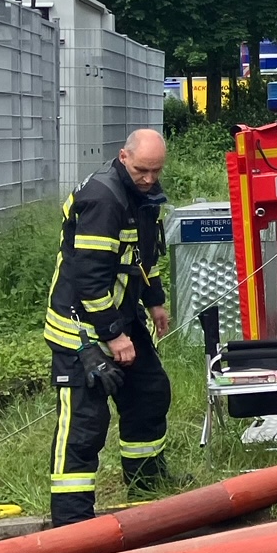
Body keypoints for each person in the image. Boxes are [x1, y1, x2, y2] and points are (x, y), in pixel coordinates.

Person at [46, 129, 171, 525]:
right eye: (142, 170)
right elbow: (90, 279)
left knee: (149, 394)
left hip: (121, 317)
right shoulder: (104, 199)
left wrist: (154, 302)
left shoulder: (142, 194)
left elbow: (141, 257)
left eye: (156, 170)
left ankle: (146, 483)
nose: (150, 178)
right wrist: (114, 335)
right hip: (80, 330)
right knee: (86, 425)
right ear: (122, 157)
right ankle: (72, 521)